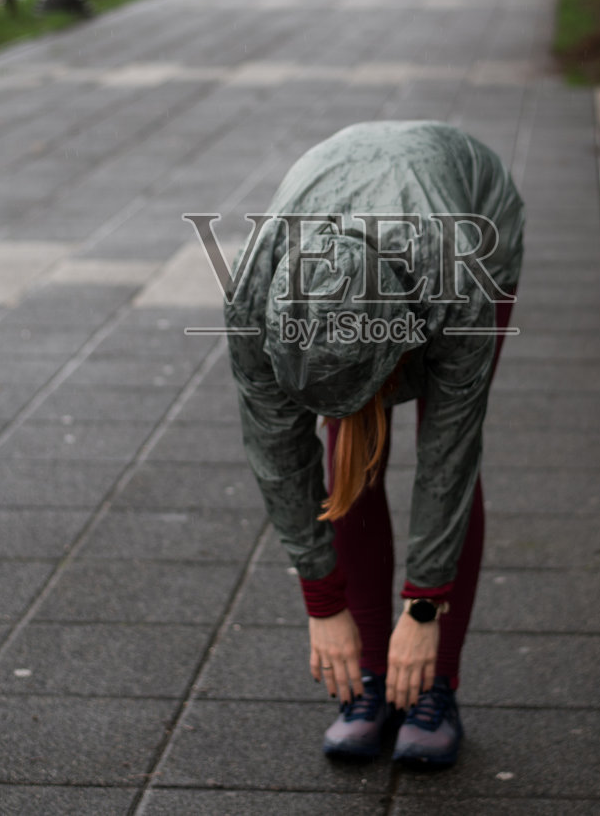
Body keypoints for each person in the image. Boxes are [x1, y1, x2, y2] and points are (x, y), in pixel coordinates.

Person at [224, 121, 524, 767]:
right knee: (353, 451)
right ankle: (370, 678)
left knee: (440, 450)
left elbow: (450, 456)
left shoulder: (459, 280)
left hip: (472, 213)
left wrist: (422, 613)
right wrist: (322, 598)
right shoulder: (256, 292)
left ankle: (433, 684)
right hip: (351, 221)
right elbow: (276, 446)